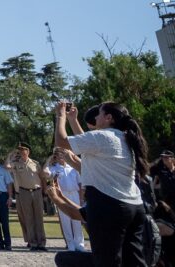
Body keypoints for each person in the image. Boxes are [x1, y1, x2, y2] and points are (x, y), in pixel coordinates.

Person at [55, 100, 148, 265]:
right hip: (134, 207)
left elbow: (61, 141)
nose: (96, 117)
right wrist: (72, 120)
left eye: (99, 114)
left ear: (108, 118)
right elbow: (87, 142)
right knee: (133, 261)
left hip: (109, 207)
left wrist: (60, 116)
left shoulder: (103, 137)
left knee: (107, 261)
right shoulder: (124, 138)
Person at [7, 142, 48, 251]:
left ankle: (42, 243)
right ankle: (33, 243)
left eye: (23, 150)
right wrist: (10, 155)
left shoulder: (35, 163)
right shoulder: (16, 164)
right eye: (19, 150)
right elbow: (7, 167)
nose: (21, 152)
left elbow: (42, 178)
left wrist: (45, 193)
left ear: (28, 151)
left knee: (39, 218)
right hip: (24, 192)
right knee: (28, 218)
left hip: (37, 191)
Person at [47, 148, 86, 252]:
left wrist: (81, 198)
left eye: (62, 154)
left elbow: (80, 184)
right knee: (65, 221)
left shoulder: (73, 168)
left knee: (77, 220)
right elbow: (46, 175)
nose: (61, 157)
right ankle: (70, 244)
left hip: (74, 194)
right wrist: (49, 161)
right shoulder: (53, 168)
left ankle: (79, 244)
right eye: (58, 155)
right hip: (62, 195)